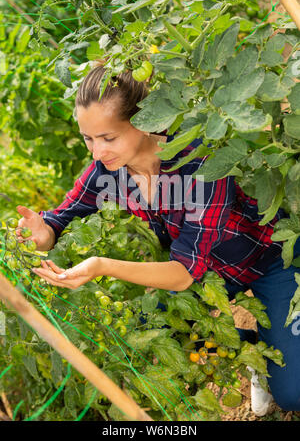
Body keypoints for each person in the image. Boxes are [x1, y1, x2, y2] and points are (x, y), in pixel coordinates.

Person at [16, 63, 300, 413]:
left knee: (294, 395)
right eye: (89, 138)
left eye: (108, 138)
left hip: (272, 258)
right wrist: (44, 232)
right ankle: (253, 350)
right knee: (160, 334)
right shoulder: (110, 169)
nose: (96, 153)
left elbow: (182, 274)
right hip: (213, 273)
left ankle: (282, 347)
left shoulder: (198, 159)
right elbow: (59, 218)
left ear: (145, 121)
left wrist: (102, 266)